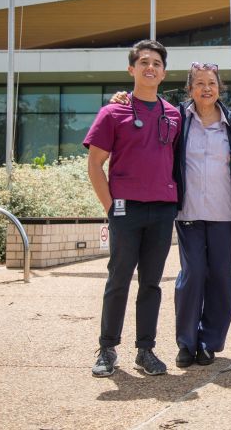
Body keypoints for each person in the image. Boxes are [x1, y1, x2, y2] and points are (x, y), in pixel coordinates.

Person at [109, 63, 231, 369]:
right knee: (192, 275)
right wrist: (124, 98)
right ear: (189, 89)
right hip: (188, 212)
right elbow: (144, 110)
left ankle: (209, 342)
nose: (206, 88)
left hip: (224, 213)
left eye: (211, 83)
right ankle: (186, 341)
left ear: (220, 88)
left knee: (221, 279)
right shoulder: (177, 118)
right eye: (199, 83)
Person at [84, 40, 181, 377]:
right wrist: (111, 207)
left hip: (162, 209)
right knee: (119, 279)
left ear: (164, 72)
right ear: (132, 69)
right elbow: (95, 164)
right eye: (143, 62)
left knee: (151, 283)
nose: (150, 67)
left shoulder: (173, 114)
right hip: (126, 209)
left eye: (156, 63)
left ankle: (146, 350)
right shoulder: (114, 111)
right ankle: (107, 348)